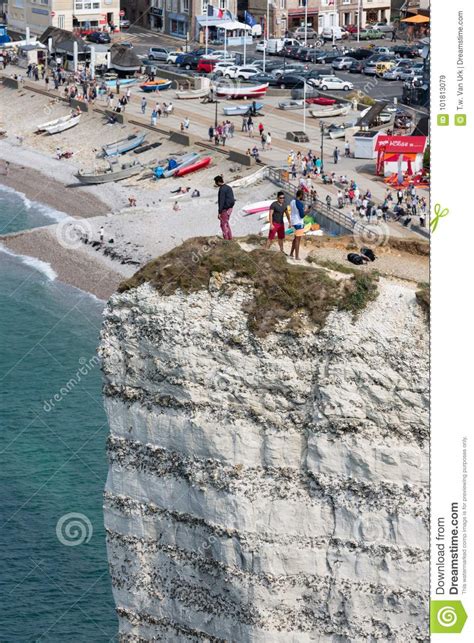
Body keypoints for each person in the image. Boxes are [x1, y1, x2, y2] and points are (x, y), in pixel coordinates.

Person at [215, 175, 235, 240]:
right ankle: (230, 237)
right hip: (230, 208)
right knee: (226, 223)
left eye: (216, 182)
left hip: (224, 209)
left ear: (218, 182)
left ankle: (226, 238)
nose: (215, 184)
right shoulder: (228, 187)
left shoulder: (222, 189)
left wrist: (219, 212)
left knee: (223, 224)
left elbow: (221, 201)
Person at [289, 189, 306, 260]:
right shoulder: (299, 203)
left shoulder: (292, 201)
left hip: (293, 222)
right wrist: (307, 211)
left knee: (295, 238)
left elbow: (295, 211)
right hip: (299, 222)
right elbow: (302, 215)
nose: (304, 197)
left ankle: (291, 253)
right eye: (303, 195)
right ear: (301, 195)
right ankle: (296, 256)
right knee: (298, 240)